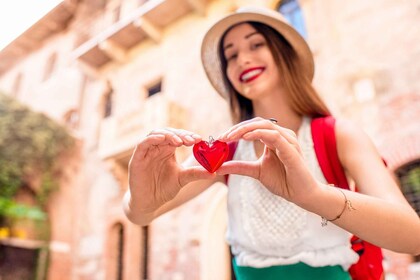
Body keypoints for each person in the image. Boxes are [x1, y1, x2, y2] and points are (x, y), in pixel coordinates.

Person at [123, 6, 420, 279]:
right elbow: (139, 213)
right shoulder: (224, 152)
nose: (243, 59)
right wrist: (143, 195)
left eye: (256, 44)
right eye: (231, 55)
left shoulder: (337, 135)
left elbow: (412, 236)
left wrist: (314, 196)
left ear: (283, 54)